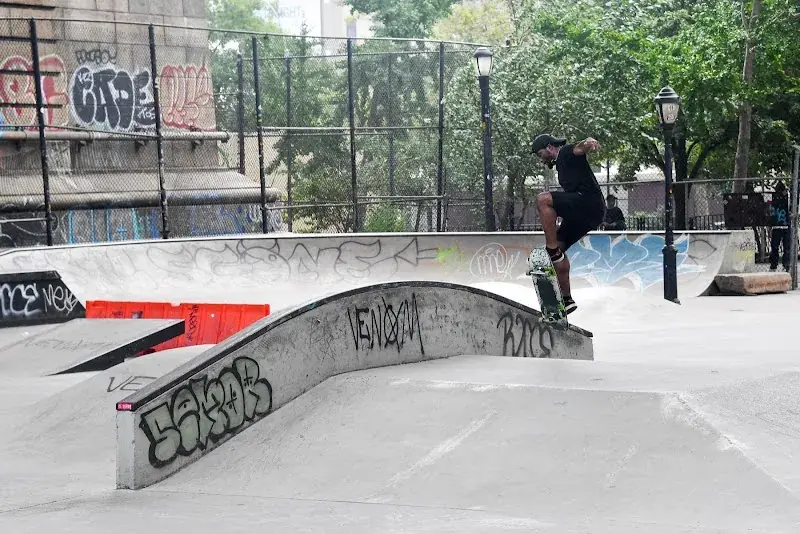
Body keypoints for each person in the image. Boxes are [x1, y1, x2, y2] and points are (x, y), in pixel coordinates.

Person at [527, 134, 605, 314]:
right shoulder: (561, 164)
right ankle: (566, 299)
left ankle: (551, 250)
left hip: (588, 203)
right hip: (586, 214)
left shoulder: (566, 152)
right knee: (558, 252)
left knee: (543, 200)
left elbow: (579, 148)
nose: (541, 159)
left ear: (549, 147)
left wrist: (588, 143)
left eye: (540, 154)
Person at [768, 181, 790, 272]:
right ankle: (786, 265)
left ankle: (774, 266)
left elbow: (770, 210)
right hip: (785, 225)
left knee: (775, 247)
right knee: (786, 247)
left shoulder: (774, 197)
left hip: (776, 225)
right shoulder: (787, 197)